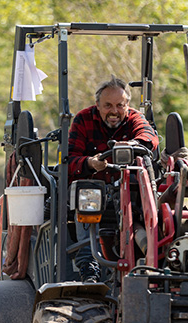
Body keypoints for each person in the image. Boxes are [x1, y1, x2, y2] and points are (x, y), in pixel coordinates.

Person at [68, 76, 159, 282]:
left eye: (120, 105)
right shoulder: (83, 120)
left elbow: (148, 136)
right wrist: (91, 163)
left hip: (127, 191)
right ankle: (89, 267)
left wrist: (131, 145)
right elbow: (70, 159)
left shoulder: (135, 119)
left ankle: (147, 260)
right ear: (98, 105)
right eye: (108, 105)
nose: (114, 111)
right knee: (87, 195)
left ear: (127, 105)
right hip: (93, 191)